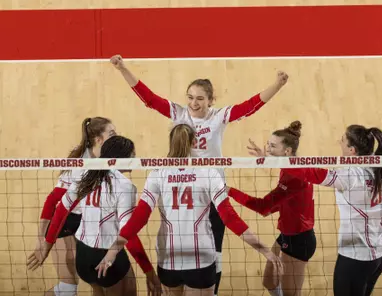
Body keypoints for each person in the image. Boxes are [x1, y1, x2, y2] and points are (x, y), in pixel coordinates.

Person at [110, 54, 288, 296]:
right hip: (180, 184)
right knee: (182, 236)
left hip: (211, 189)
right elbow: (149, 98)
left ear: (210, 100)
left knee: (214, 250)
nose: (194, 103)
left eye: (200, 99)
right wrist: (123, 69)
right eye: (191, 98)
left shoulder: (218, 116)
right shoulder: (178, 113)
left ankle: (209, 288)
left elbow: (250, 106)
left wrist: (277, 85)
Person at [246, 106, 382, 296]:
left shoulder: (349, 177)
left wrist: (272, 159)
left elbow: (310, 173)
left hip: (356, 257)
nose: (338, 141)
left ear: (352, 150)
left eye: (342, 140)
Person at [96, 124, 283, 296]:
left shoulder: (157, 174)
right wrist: (264, 249)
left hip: (168, 262)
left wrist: (113, 251)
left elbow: (139, 218)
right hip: (201, 261)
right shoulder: (210, 173)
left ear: (171, 142)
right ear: (195, 143)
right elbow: (229, 218)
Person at [28, 135, 160, 296]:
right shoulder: (125, 186)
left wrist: (47, 245)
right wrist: (148, 271)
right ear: (121, 158)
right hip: (106, 255)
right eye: (132, 155)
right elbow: (128, 233)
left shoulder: (85, 176)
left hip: (83, 257)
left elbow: (60, 210)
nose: (135, 158)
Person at [228, 121, 316, 296]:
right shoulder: (293, 165)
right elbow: (286, 200)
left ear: (287, 151)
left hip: (299, 241)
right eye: (268, 144)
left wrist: (229, 191)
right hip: (287, 233)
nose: (268, 148)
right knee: (269, 280)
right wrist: (265, 159)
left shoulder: (293, 177)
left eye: (272, 146)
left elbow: (263, 207)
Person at [35, 117, 116, 295]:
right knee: (67, 289)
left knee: (98, 283)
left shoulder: (109, 161)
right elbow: (52, 200)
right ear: (98, 139)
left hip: (90, 223)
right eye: (112, 134)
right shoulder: (80, 164)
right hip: (67, 222)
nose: (116, 137)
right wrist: (41, 237)